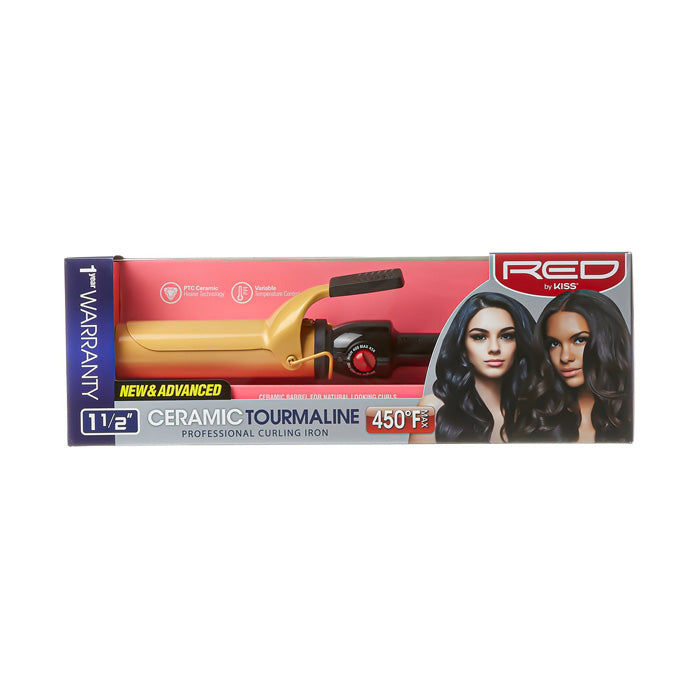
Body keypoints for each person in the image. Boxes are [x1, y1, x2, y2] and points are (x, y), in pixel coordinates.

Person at [411, 292, 535, 443]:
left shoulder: (539, 411)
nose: (494, 348)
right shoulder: (432, 408)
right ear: (462, 346)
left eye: (506, 336)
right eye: (480, 337)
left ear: (520, 343)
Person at [512, 289, 632, 442]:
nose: (565, 357)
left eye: (579, 340)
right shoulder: (535, 415)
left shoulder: (635, 412)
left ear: (608, 342)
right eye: (554, 343)